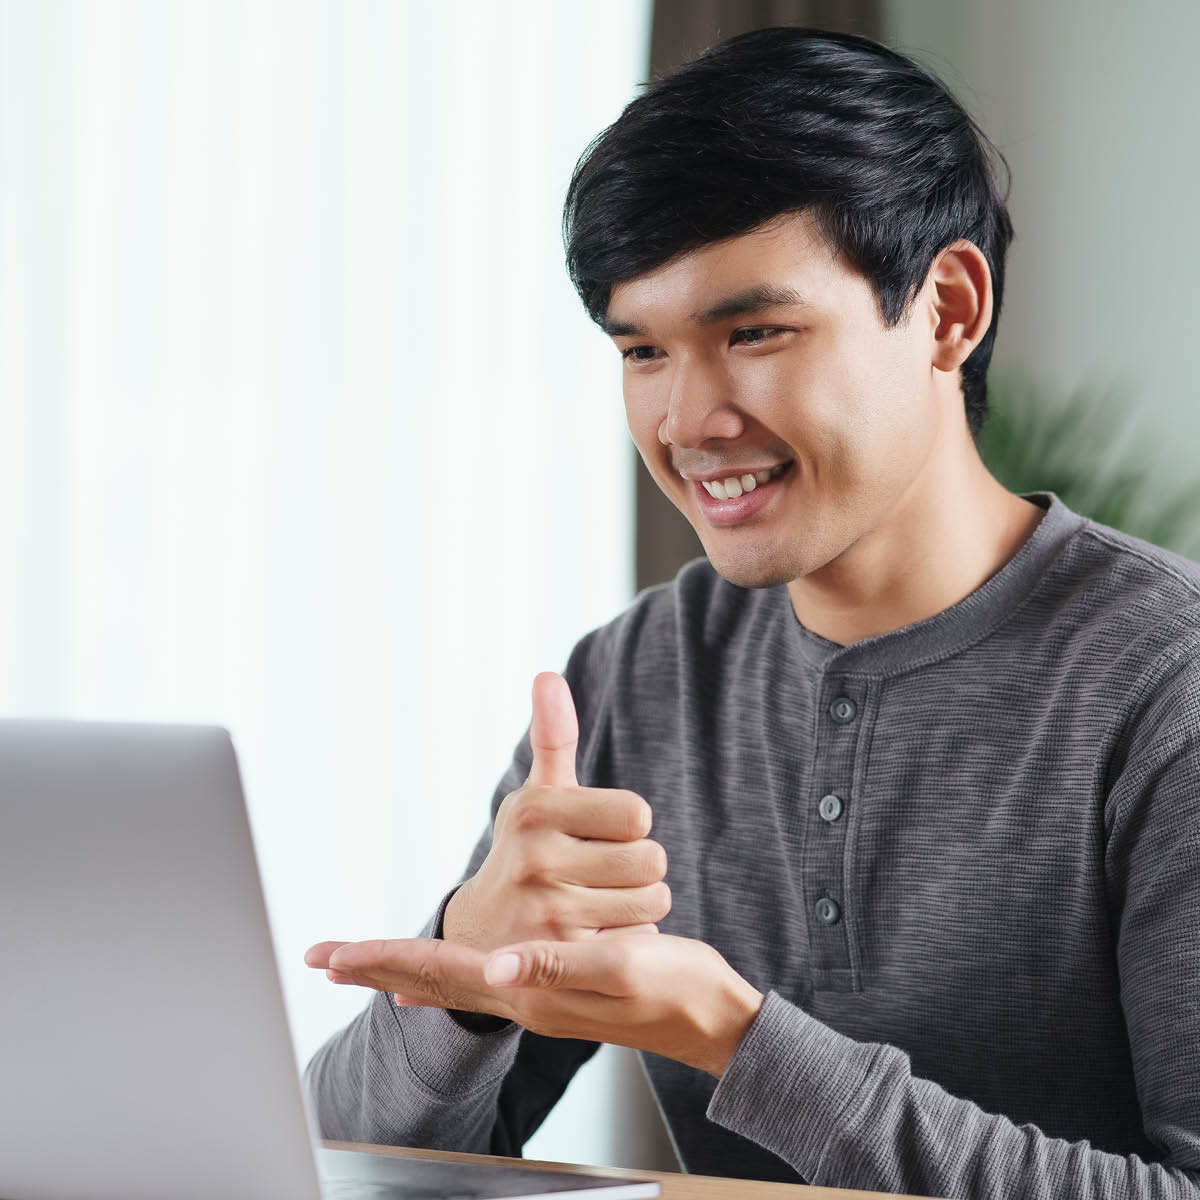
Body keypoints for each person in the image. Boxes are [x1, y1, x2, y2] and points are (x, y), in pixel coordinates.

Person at [302, 25, 1200, 1197]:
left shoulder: (1163, 682)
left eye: (753, 334)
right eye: (643, 352)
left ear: (947, 310)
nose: (687, 421)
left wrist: (738, 1040)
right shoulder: (634, 678)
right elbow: (323, 1158)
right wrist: (463, 979)